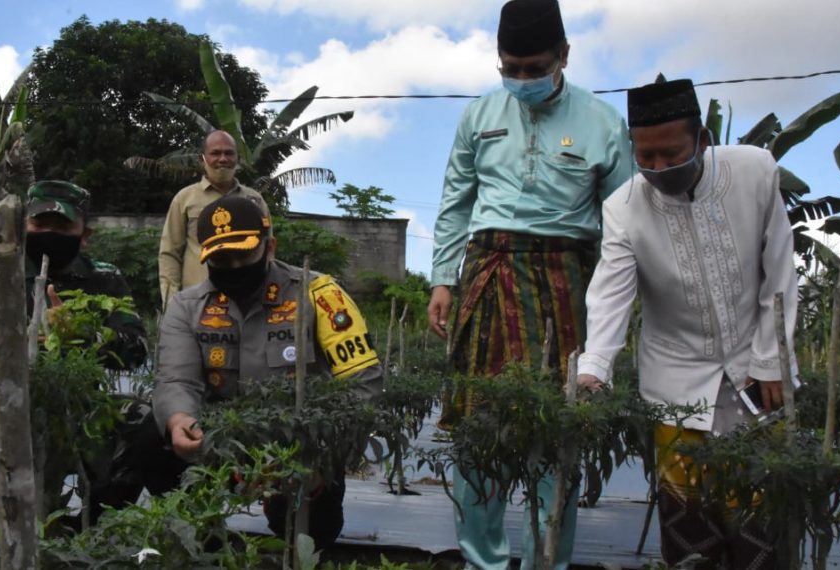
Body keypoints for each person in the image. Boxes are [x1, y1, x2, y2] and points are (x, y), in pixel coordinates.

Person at [424, 0, 633, 567]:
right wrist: (443, 279)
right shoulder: (478, 115)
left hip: (564, 280)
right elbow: (454, 203)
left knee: (553, 427)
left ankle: (547, 561)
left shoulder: (603, 123)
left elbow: (624, 222)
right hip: (486, 271)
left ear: (564, 56)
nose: (521, 80)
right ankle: (481, 560)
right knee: (478, 425)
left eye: (534, 68)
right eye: (510, 69)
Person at [576, 78, 796, 569]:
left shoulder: (755, 172)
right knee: (686, 520)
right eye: (645, 157)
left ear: (702, 140)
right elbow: (611, 292)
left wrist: (771, 360)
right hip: (675, 379)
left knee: (760, 513)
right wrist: (595, 367)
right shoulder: (623, 208)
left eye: (671, 154)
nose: (658, 168)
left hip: (758, 371)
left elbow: (779, 273)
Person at [151, 195, 383, 549]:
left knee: (311, 533)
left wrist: (322, 456)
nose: (232, 267)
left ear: (269, 246)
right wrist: (179, 420)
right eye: (220, 259)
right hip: (220, 447)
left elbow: (361, 382)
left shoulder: (320, 293)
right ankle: (202, 544)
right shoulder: (187, 307)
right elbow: (176, 379)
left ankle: (301, 534)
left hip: (301, 451)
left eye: (243, 255)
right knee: (146, 439)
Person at [0, 180, 149, 517]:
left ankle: (100, 529)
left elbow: (138, 348)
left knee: (142, 420)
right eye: (40, 224)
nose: (49, 233)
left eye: (62, 226)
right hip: (10, 406)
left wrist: (84, 335)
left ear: (85, 235)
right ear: (23, 227)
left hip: (83, 409)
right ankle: (0, 524)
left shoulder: (104, 279)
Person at [158, 130, 271, 310]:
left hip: (247, 301)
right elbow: (170, 252)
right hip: (198, 303)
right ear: (202, 159)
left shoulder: (255, 200)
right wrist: (171, 301)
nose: (223, 159)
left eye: (229, 153)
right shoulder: (185, 198)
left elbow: (268, 251)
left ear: (238, 158)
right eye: (215, 153)